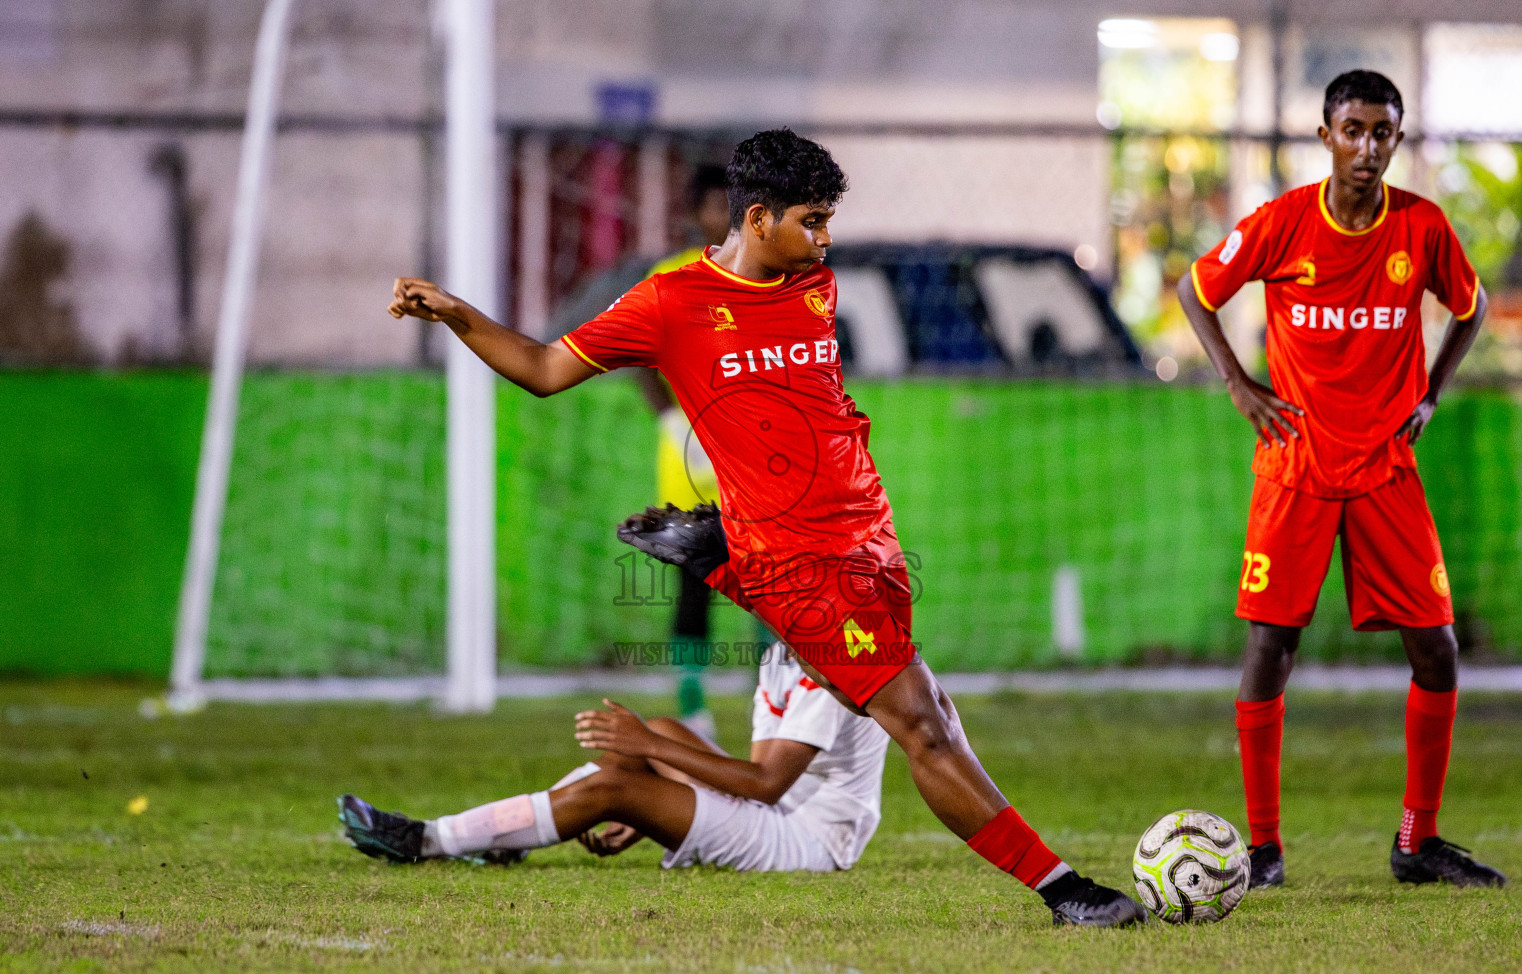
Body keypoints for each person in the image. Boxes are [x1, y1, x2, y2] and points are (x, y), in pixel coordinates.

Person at [387, 128, 1143, 925]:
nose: (824, 240)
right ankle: (1066, 893)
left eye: (827, 222)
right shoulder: (670, 304)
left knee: (925, 717)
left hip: (868, 546)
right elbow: (543, 370)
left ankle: (721, 563)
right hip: (806, 570)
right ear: (757, 218)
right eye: (811, 221)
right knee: (925, 724)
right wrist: (458, 314)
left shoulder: (815, 289)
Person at [1177, 69, 1505, 889]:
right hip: (1297, 466)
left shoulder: (1421, 229)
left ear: (1397, 139)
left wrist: (1430, 392)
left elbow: (1472, 307)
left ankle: (1417, 842)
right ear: (1325, 136)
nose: (1367, 147)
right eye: (1352, 130)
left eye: (1382, 132)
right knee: (1271, 649)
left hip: (1387, 468)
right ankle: (1262, 848)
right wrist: (1238, 382)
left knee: (1437, 651)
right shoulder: (1284, 223)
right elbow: (1196, 287)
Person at [339, 642, 890, 872]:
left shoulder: (831, 659)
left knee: (618, 785)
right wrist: (664, 808)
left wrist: (652, 759)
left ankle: (430, 840)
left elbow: (766, 785)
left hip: (810, 843)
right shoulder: (782, 652)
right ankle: (503, 843)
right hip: (781, 813)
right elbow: (760, 779)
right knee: (658, 735)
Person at [634, 165, 732, 742]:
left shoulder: (769, 276)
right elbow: (641, 356)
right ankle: (693, 704)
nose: (723, 216)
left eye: (734, 204)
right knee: (696, 579)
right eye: (714, 205)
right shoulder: (669, 276)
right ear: (696, 213)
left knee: (774, 580)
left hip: (755, 456)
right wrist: (675, 423)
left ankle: (776, 696)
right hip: (691, 459)